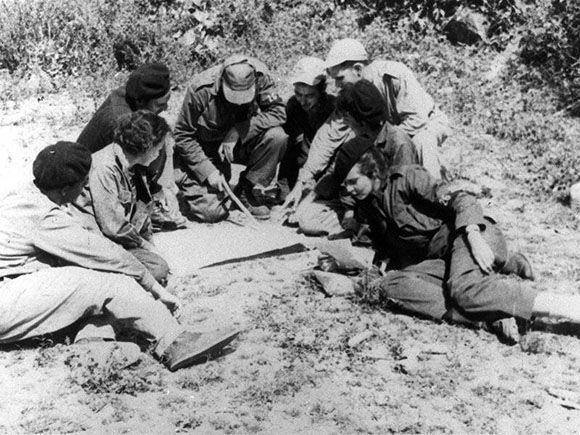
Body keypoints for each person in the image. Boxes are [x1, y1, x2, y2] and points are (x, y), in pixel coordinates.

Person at [0, 141, 239, 371]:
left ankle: (93, 344)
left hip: (13, 288)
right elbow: (105, 254)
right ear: (64, 189)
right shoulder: (42, 215)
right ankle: (174, 341)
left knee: (86, 283)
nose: (85, 188)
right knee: (109, 282)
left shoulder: (26, 193)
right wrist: (155, 287)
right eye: (82, 184)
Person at [339, 146, 580, 343]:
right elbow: (386, 252)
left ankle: (567, 306)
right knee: (390, 284)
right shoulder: (370, 206)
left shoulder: (407, 178)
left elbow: (461, 198)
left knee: (464, 289)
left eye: (353, 182)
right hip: (443, 258)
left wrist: (474, 238)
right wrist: (371, 271)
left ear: (372, 172)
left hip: (466, 234)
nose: (349, 190)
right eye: (345, 186)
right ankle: (489, 317)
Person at [283, 38, 451, 213]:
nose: (338, 85)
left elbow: (418, 119)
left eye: (340, 78)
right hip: (383, 133)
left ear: (357, 69)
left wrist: (380, 142)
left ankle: (434, 204)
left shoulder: (393, 74)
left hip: (424, 125)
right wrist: (302, 182)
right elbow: (329, 135)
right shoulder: (350, 93)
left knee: (422, 142)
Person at [287, 79, 418, 237]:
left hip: (388, 211)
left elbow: (401, 198)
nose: (345, 122)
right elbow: (336, 175)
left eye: (347, 117)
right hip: (359, 204)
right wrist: (309, 199)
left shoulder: (399, 143)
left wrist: (365, 222)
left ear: (360, 118)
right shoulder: (356, 139)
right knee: (306, 218)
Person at [174, 54, 288, 221]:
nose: (239, 104)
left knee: (277, 137)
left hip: (239, 144)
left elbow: (278, 113)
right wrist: (208, 171)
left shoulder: (261, 78)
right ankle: (187, 186)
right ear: (222, 81)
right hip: (207, 150)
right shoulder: (201, 88)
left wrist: (238, 130)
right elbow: (182, 135)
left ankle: (245, 189)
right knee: (210, 212)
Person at [77, 63, 186, 231]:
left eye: (166, 101)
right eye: (160, 105)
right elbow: (131, 169)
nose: (165, 108)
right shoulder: (120, 120)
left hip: (119, 166)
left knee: (162, 136)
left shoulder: (133, 95)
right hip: (90, 180)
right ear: (141, 101)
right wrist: (151, 200)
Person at [74, 110, 171, 284]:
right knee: (156, 269)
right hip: (97, 242)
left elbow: (141, 212)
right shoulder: (105, 167)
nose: (159, 153)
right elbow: (112, 226)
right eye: (158, 148)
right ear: (147, 146)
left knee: (157, 266)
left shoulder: (134, 166)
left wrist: (149, 245)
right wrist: (144, 245)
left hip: (116, 240)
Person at [280, 57, 336, 196]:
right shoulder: (293, 105)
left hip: (325, 160)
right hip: (301, 156)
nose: (303, 101)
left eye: (310, 96)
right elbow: (289, 146)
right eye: (298, 94)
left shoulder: (333, 108)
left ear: (321, 91)